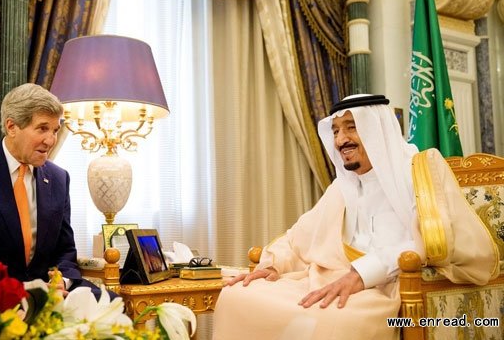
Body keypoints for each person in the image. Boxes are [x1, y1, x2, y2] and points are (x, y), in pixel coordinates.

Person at [212, 94, 498, 339]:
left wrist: (363, 273)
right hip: (332, 277)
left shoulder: (417, 172)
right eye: (335, 130)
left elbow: (431, 239)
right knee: (238, 297)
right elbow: (302, 234)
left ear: (378, 131)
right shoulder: (344, 185)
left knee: (332, 321)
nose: (341, 140)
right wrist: (274, 265)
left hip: (387, 287)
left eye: (352, 128)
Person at [0, 83, 111, 300]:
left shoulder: (59, 178)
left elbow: (65, 250)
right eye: (42, 128)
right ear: (12, 127)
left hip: (50, 294)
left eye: (55, 130)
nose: (51, 140)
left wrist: (61, 280)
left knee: (114, 304)